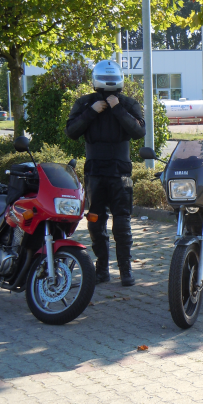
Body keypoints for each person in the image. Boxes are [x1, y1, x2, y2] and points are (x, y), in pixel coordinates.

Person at [66, 60, 145, 286]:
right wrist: (91, 112)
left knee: (122, 222)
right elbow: (71, 131)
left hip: (120, 171)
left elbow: (139, 131)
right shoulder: (85, 103)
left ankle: (126, 270)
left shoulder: (128, 104)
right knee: (95, 221)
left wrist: (117, 108)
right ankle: (101, 268)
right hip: (96, 171)